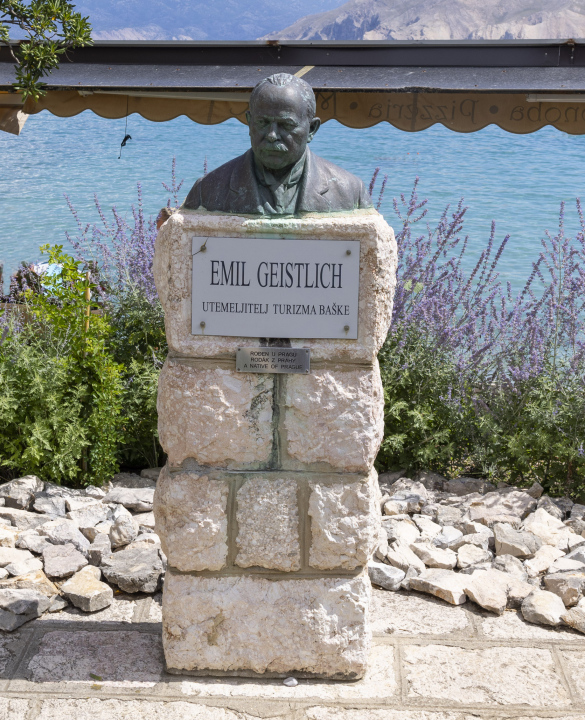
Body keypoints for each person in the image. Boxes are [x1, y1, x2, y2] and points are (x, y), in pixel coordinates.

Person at [182, 72, 372, 215]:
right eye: (263, 123)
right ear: (249, 123)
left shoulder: (350, 191)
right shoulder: (207, 191)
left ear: (312, 130)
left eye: (286, 125)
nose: (272, 135)